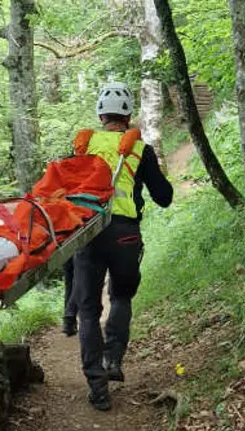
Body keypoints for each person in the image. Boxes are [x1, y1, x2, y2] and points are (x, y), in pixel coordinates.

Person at [72, 82, 173, 410]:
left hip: (87, 232)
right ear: (128, 115)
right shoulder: (138, 149)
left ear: (100, 115)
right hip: (125, 233)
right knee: (121, 296)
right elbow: (164, 197)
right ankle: (113, 360)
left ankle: (96, 385)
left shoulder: (83, 147)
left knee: (87, 310)